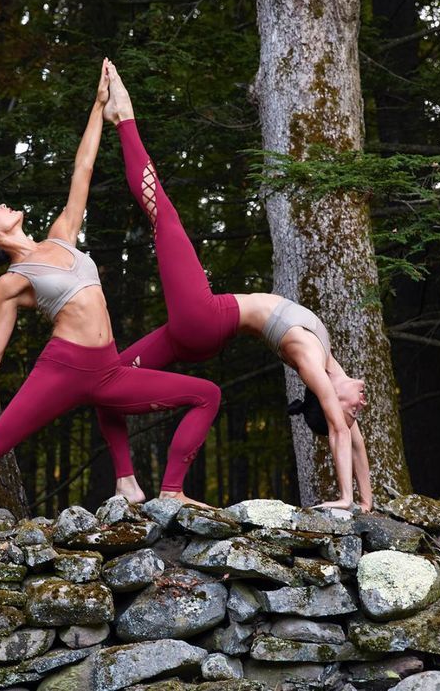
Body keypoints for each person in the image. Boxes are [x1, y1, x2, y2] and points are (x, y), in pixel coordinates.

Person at [0, 60, 221, 544]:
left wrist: (99, 108)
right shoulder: (12, 282)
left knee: (207, 395)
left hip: (109, 373)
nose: (2, 205)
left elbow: (83, 167)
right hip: (63, 370)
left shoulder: (63, 235)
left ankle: (162, 490)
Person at [98, 61, 372, 513]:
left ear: (330, 404)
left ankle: (124, 118)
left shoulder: (312, 364)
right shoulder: (329, 366)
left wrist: (342, 499)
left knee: (162, 214)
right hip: (196, 330)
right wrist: (365, 501)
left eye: (350, 411)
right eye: (356, 411)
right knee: (107, 384)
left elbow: (341, 431)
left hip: (205, 319)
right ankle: (128, 480)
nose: (359, 408)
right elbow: (353, 439)